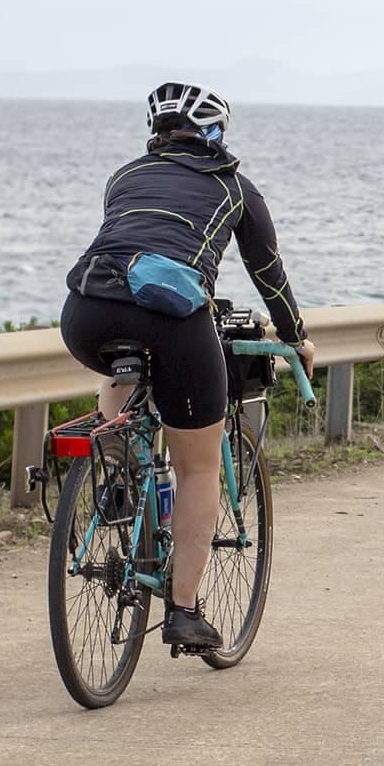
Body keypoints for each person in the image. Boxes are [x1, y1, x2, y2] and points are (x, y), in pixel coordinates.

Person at [60, 82, 314, 649]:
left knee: (124, 368)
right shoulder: (235, 188)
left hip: (83, 312)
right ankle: (182, 610)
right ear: (217, 133)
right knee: (199, 467)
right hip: (173, 315)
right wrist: (297, 340)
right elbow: (269, 273)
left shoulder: (123, 177)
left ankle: (120, 476)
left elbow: (134, 239)